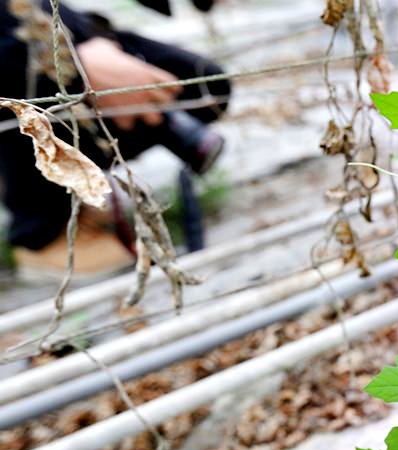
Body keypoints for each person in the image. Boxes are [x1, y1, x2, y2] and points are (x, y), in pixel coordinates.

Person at [0, 0, 229, 276]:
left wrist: (89, 40)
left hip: (35, 25)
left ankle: (72, 189)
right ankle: (41, 235)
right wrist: (74, 60)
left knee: (201, 84)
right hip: (17, 48)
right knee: (38, 79)